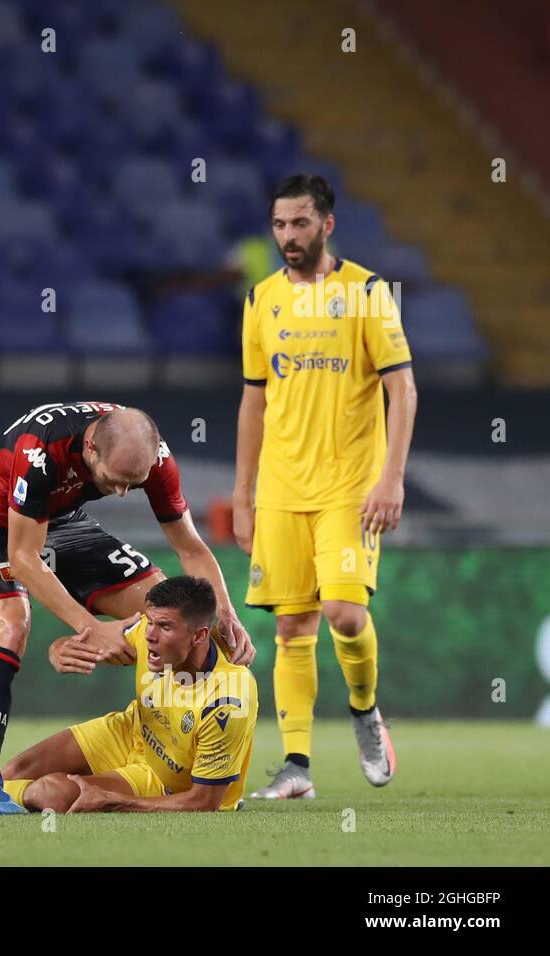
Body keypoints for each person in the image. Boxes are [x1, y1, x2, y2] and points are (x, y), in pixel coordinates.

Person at [0, 400, 254, 814]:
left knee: (165, 605)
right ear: (91, 448)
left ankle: (186, 752)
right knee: (11, 628)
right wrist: (91, 629)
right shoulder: (39, 451)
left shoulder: (155, 457)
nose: (124, 493)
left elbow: (191, 548)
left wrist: (226, 615)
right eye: (117, 480)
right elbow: (24, 558)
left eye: (135, 482)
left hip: (66, 522)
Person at [234, 174, 417, 799]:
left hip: (350, 486)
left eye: (301, 223)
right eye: (280, 225)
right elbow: (254, 401)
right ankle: (296, 768)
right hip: (282, 488)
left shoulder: (365, 292)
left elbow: (402, 387)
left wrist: (392, 476)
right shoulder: (261, 300)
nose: (289, 235)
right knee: (291, 628)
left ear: (327, 225)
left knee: (344, 613)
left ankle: (365, 711)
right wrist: (242, 493)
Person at [0, 576, 258, 815]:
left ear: (201, 635)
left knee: (51, 791)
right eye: (149, 622)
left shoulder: (229, 701)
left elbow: (204, 802)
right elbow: (83, 640)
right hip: (133, 730)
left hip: (166, 781)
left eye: (164, 627)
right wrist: (58, 648)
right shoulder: (147, 637)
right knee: (11, 773)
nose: (149, 635)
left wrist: (114, 801)